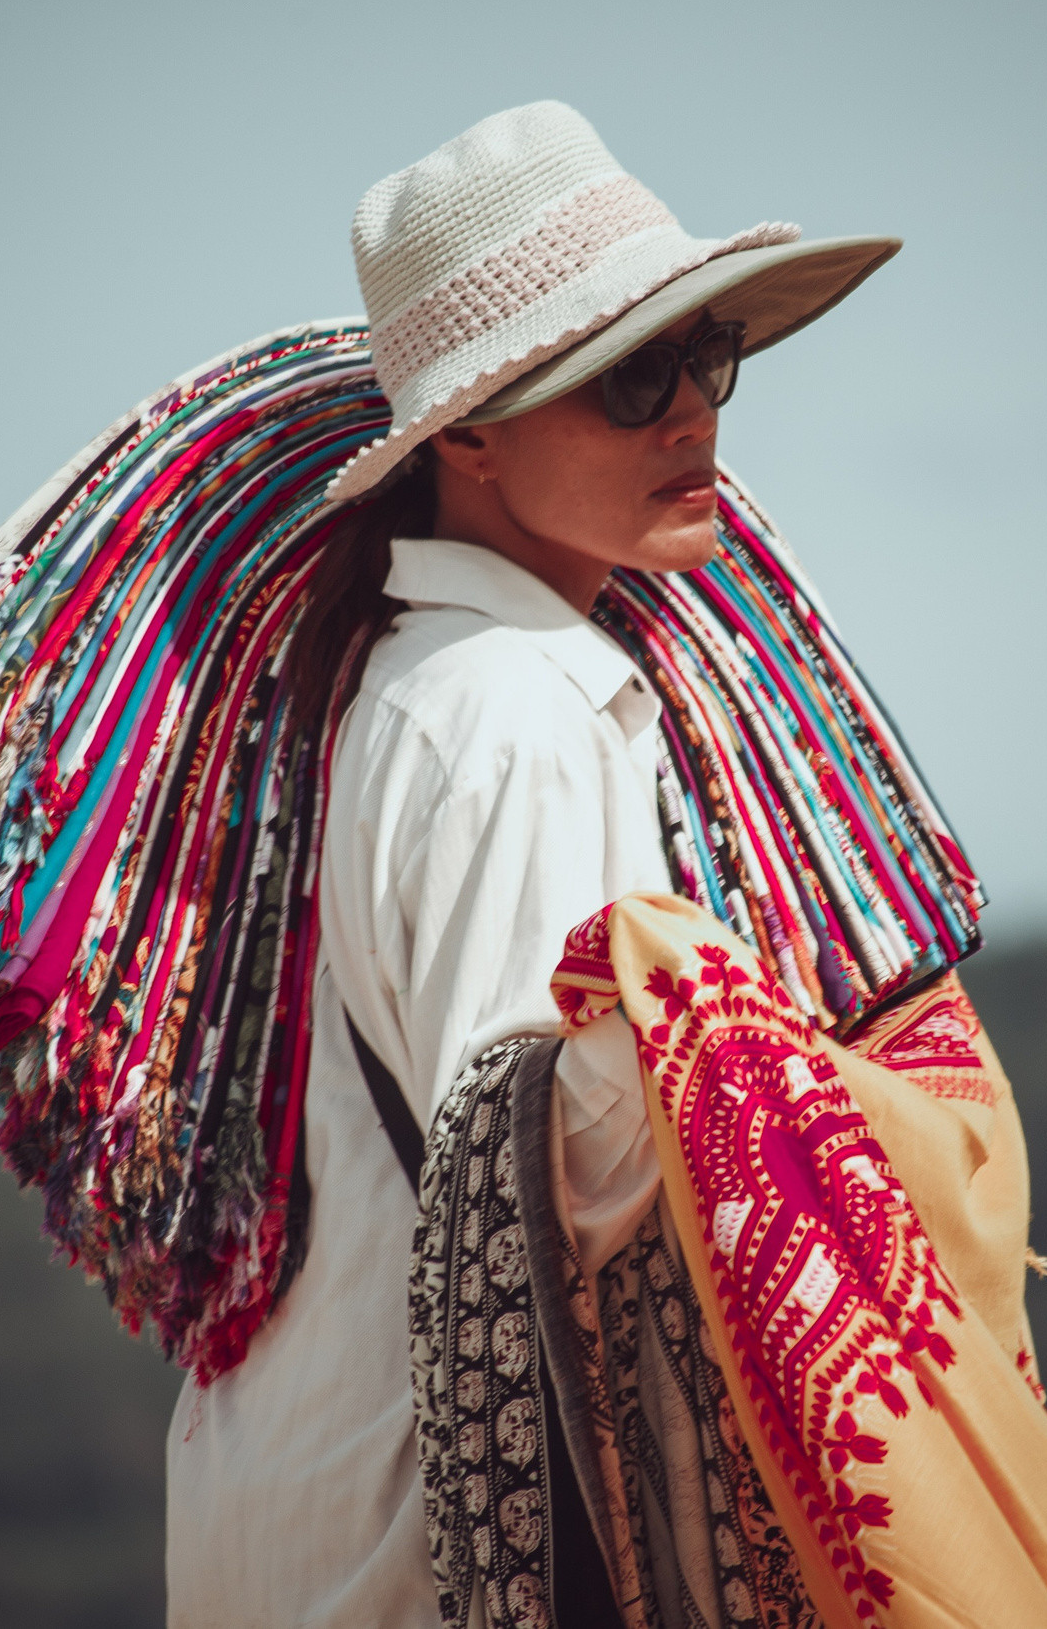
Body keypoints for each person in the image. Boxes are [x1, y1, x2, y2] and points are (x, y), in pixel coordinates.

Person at [163, 101, 901, 1629]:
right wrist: (790, 1076)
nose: (697, 413)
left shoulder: (407, 691)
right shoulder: (518, 714)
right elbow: (531, 1191)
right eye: (635, 377)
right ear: (475, 434)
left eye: (709, 355)